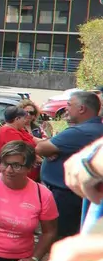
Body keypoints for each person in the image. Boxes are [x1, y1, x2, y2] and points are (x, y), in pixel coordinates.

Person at [35, 91, 103, 238]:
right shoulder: (94, 129)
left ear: (82, 109)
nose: (66, 109)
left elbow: (41, 148)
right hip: (77, 195)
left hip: (67, 198)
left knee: (61, 237)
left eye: (69, 105)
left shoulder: (81, 131)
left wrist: (52, 151)